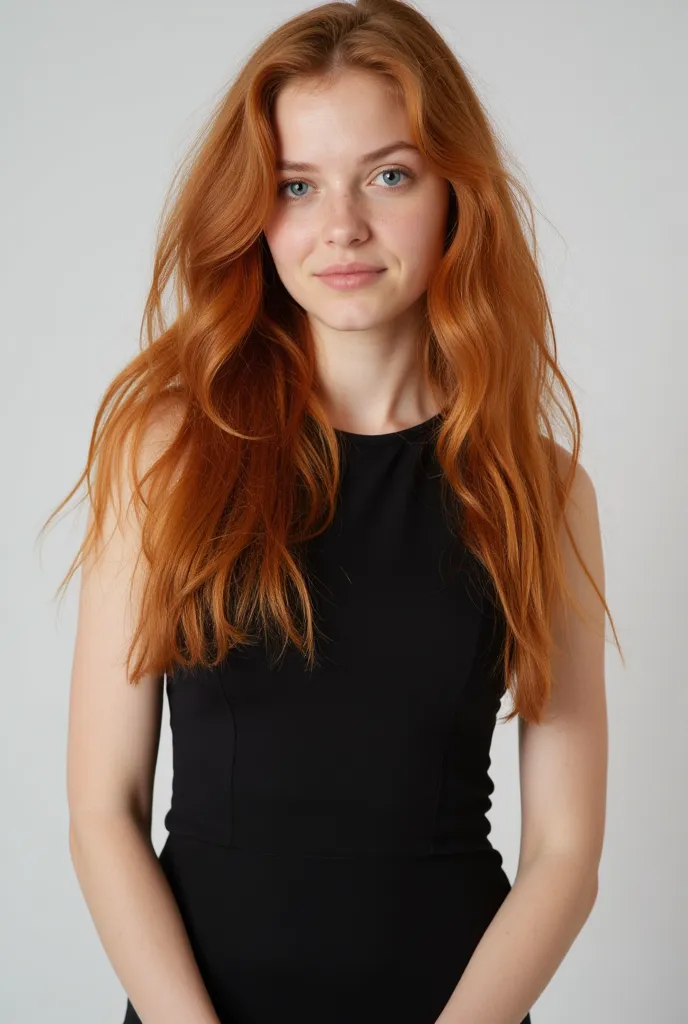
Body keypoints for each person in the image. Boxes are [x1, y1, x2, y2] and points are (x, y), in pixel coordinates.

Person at [43, 0, 621, 1021]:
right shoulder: (168, 452)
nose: (341, 226)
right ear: (253, 211)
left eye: (387, 175)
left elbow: (564, 856)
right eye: (296, 186)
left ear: (454, 192)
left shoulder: (543, 487)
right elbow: (103, 811)